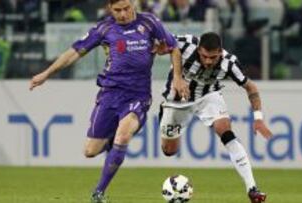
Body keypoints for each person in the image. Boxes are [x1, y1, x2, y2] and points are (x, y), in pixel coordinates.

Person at [29, 0, 189, 202]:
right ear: (109, 9)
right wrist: (46, 74)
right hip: (110, 95)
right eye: (117, 10)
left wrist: (177, 77)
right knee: (90, 151)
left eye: (126, 9)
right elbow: (74, 53)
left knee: (122, 137)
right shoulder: (105, 29)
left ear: (133, 5)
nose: (123, 14)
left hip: (138, 95)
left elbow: (173, 47)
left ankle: (98, 193)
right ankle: (118, 140)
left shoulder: (149, 23)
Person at [154, 32, 272, 203]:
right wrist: (161, 54)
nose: (209, 61)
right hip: (177, 100)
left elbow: (251, 87)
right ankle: (166, 115)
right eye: (204, 56)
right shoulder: (186, 44)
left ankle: (252, 189)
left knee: (225, 130)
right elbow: (160, 44)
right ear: (199, 49)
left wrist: (258, 118)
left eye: (213, 57)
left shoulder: (229, 63)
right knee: (169, 151)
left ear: (220, 52)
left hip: (208, 96)